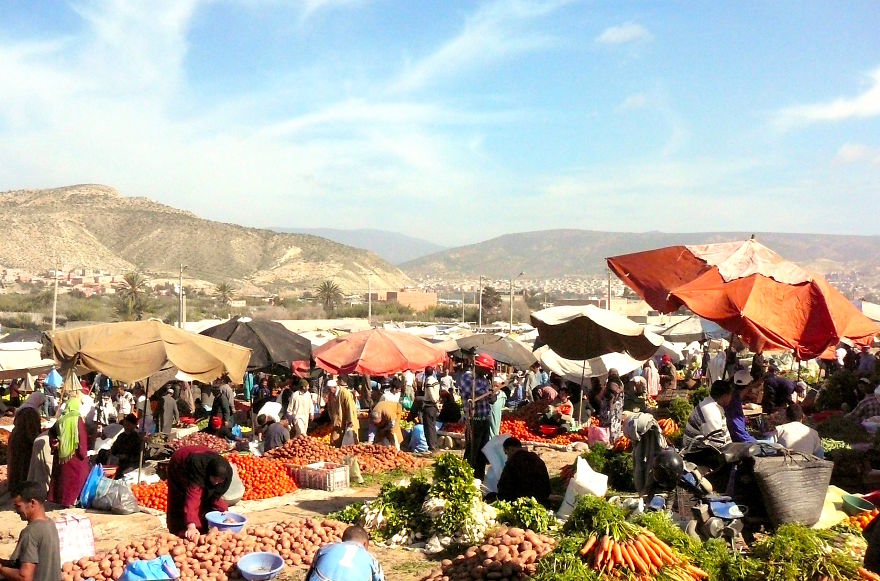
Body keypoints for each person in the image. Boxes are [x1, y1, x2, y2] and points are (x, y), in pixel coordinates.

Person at [166, 445, 232, 540]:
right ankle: (179, 531)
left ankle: (203, 528)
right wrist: (191, 525)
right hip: (180, 464)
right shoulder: (198, 469)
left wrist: (224, 511)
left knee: (206, 497)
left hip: (203, 458)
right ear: (209, 474)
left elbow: (214, 495)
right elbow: (193, 497)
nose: (216, 482)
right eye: (214, 479)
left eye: (219, 480)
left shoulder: (226, 472)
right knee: (181, 499)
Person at [1, 481, 61, 581]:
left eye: (18, 506)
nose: (16, 511)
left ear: (32, 503)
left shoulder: (30, 532)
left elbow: (25, 577)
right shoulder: (50, 524)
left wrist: (1, 569)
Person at [48, 395, 89, 508]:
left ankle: (62, 500)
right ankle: (71, 501)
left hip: (61, 455)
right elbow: (82, 437)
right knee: (78, 476)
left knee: (63, 478)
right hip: (74, 455)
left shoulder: (61, 419)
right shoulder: (77, 419)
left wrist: (55, 442)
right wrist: (83, 453)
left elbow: (51, 432)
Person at [461, 354, 496, 480]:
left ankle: (479, 477)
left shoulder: (486, 380)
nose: (487, 372)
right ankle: (467, 477)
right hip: (473, 421)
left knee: (483, 452)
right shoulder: (468, 376)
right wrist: (487, 393)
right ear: (479, 367)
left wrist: (493, 397)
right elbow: (468, 392)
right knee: (472, 452)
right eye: (486, 369)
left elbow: (490, 400)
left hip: (484, 420)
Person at [306, 525, 384, 581]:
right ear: (365, 544)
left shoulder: (325, 548)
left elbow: (309, 575)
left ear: (343, 540)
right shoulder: (371, 559)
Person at [683, 380, 734, 457]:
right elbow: (717, 444)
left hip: (704, 448)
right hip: (697, 453)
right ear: (725, 396)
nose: (731, 398)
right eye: (730, 395)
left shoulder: (711, 404)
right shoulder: (711, 411)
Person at [496, 438, 551, 506]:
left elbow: (503, 488)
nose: (507, 457)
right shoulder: (535, 458)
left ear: (511, 449)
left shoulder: (513, 462)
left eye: (506, 453)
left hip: (521, 500)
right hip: (542, 498)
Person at [8, 395, 44, 494]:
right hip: (23, 441)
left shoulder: (24, 408)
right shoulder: (30, 412)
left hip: (17, 438)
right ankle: (21, 488)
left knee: (16, 464)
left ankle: (15, 486)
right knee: (23, 465)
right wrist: (37, 440)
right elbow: (31, 429)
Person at [725, 370, 757, 444]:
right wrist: (756, 443)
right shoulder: (734, 402)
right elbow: (740, 435)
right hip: (738, 444)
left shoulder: (734, 398)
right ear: (750, 384)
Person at [327, 379, 359, 447]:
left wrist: (350, 420)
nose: (329, 391)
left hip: (347, 420)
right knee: (334, 441)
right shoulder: (331, 394)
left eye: (329, 389)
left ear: (334, 387)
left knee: (351, 443)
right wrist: (332, 419)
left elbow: (350, 407)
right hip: (337, 421)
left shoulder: (345, 393)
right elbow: (329, 407)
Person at [421, 376, 441, 452]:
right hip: (433, 407)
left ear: (426, 373)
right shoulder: (436, 381)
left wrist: (436, 403)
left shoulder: (429, 382)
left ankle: (432, 447)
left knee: (429, 428)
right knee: (432, 427)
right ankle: (435, 445)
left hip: (429, 406)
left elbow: (431, 394)